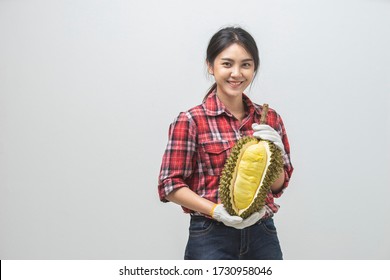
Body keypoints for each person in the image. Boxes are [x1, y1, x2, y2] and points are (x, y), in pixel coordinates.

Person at [157, 26, 293, 260]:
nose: (237, 73)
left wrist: (277, 155)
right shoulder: (191, 120)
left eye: (246, 65)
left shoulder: (270, 119)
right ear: (211, 66)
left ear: (254, 68)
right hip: (211, 235)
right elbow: (169, 185)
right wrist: (216, 211)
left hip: (263, 233)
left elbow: (277, 187)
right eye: (227, 64)